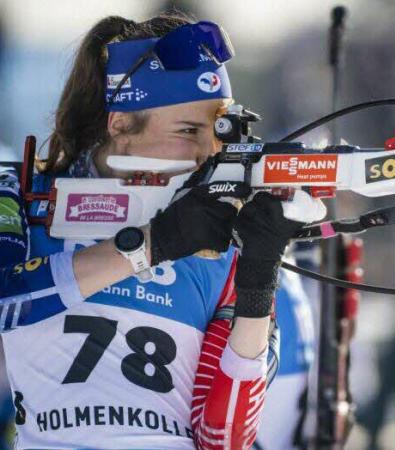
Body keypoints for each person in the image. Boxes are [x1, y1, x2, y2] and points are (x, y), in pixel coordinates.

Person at [0, 13, 323, 450]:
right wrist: (150, 245)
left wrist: (259, 279)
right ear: (120, 126)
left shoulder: (219, 237)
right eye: (188, 130)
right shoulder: (21, 195)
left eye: (218, 134)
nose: (207, 152)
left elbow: (223, 438)